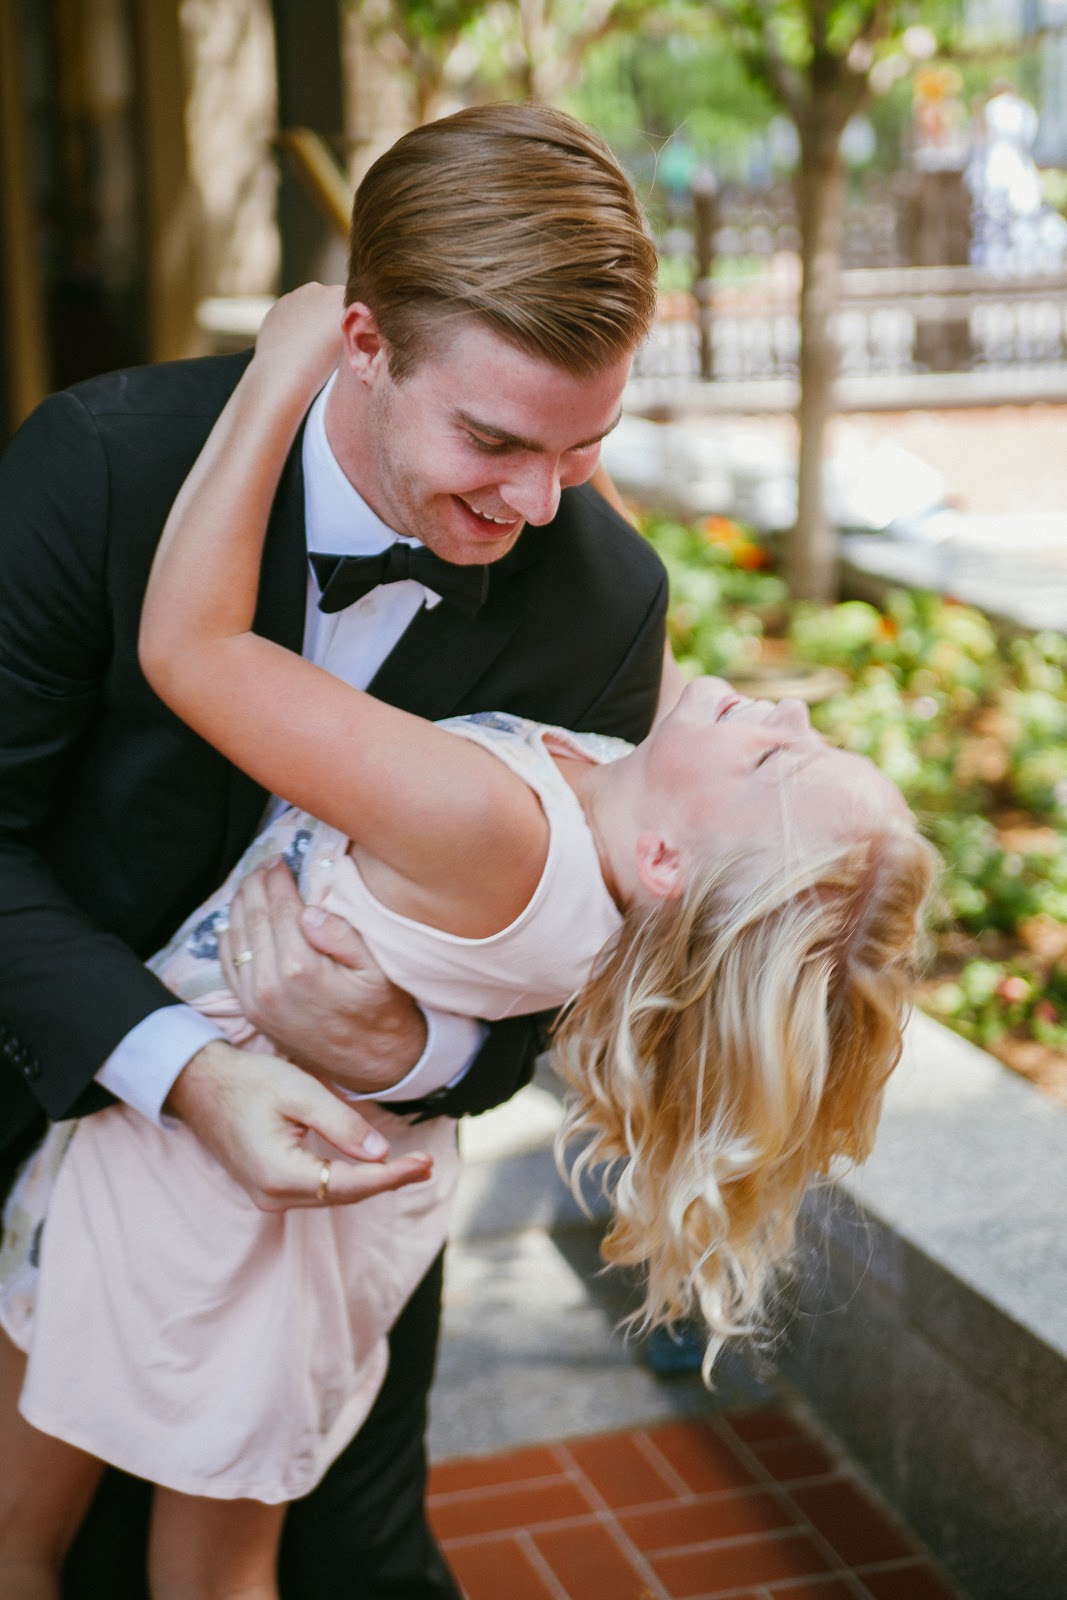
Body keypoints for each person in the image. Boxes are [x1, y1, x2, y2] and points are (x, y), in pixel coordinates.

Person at [0, 286, 936, 1599]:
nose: (782, 711)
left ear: (671, 868)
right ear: (375, 345)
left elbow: (194, 647)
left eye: (781, 756)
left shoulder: (497, 821)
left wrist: (279, 371)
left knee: (59, 1540)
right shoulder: (629, 817)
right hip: (298, 1164)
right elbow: (669, 707)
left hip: (193, 1183)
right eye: (505, 440)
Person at [0, 104, 669, 1599]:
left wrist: (421, 1048)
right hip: (34, 1086)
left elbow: (567, 985)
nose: (535, 503)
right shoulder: (101, 466)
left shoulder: (603, 602)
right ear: (362, 343)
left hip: (337, 1190)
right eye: (493, 440)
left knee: (350, 1563)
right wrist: (181, 1067)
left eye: (584, 447)